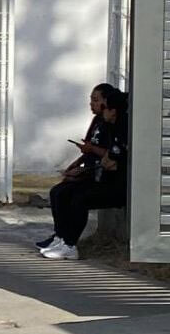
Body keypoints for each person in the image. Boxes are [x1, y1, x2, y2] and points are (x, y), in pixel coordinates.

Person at [42, 88, 128, 260]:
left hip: (115, 185)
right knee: (60, 192)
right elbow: (104, 158)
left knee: (78, 198)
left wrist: (102, 159)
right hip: (98, 176)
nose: (95, 106)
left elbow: (111, 160)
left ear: (112, 110)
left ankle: (70, 245)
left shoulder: (121, 129)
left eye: (100, 104)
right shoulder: (105, 124)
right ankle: (62, 238)